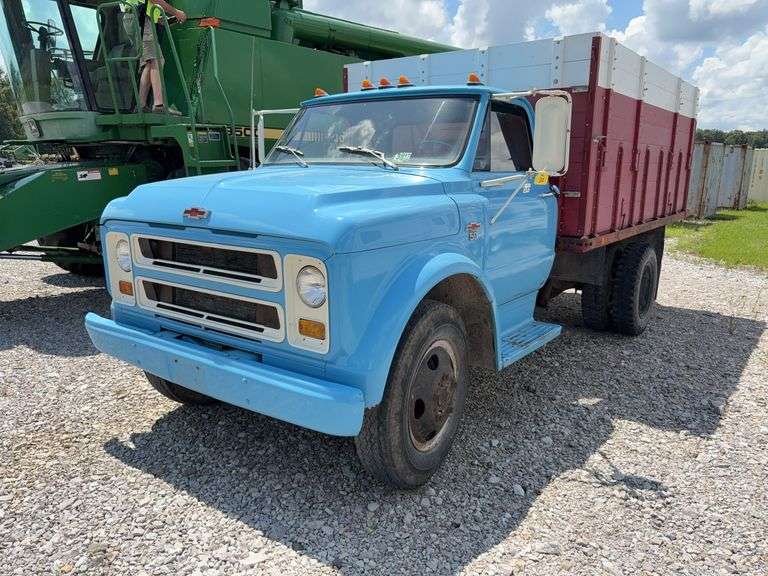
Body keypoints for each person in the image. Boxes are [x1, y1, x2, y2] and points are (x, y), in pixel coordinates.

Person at [137, 0, 187, 113]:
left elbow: (149, 7)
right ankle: (159, 105)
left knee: (150, 62)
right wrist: (177, 13)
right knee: (158, 60)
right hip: (141, 18)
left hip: (140, 17)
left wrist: (161, 20)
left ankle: (141, 105)